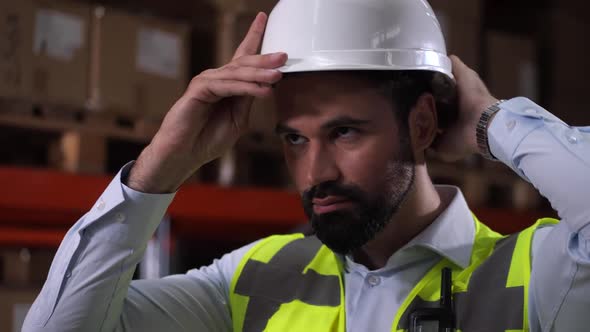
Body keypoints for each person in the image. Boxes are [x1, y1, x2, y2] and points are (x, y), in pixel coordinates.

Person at [23, 0, 590, 331]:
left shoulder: (536, 276)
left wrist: (491, 122)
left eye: (343, 132)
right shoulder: (253, 279)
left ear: (421, 124)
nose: (315, 171)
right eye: (294, 139)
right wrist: (159, 168)